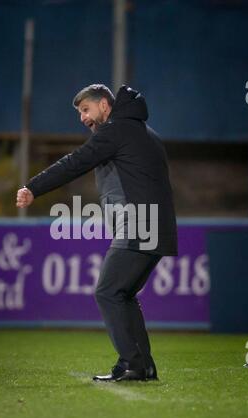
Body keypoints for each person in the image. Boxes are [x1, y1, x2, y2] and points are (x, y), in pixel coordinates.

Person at [16, 84, 177, 382]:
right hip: (154, 224)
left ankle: (133, 363)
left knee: (108, 291)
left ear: (105, 105)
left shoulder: (115, 131)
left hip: (139, 223)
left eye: (85, 110)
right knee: (123, 293)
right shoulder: (146, 133)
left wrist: (33, 187)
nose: (82, 118)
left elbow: (74, 163)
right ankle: (142, 365)